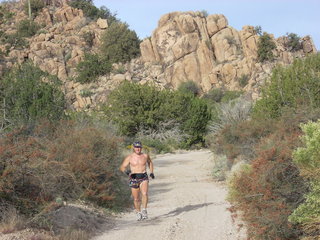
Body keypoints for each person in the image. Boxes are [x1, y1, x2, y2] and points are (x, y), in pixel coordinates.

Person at [119, 141, 155, 221]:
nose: (138, 149)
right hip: (134, 178)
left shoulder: (145, 156)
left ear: (141, 148)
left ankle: (144, 210)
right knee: (136, 199)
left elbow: (150, 163)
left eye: (139, 147)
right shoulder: (130, 157)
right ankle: (138, 212)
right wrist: (126, 171)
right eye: (136, 147)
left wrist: (151, 172)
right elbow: (122, 167)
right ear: (133, 148)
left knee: (145, 193)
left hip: (143, 176)